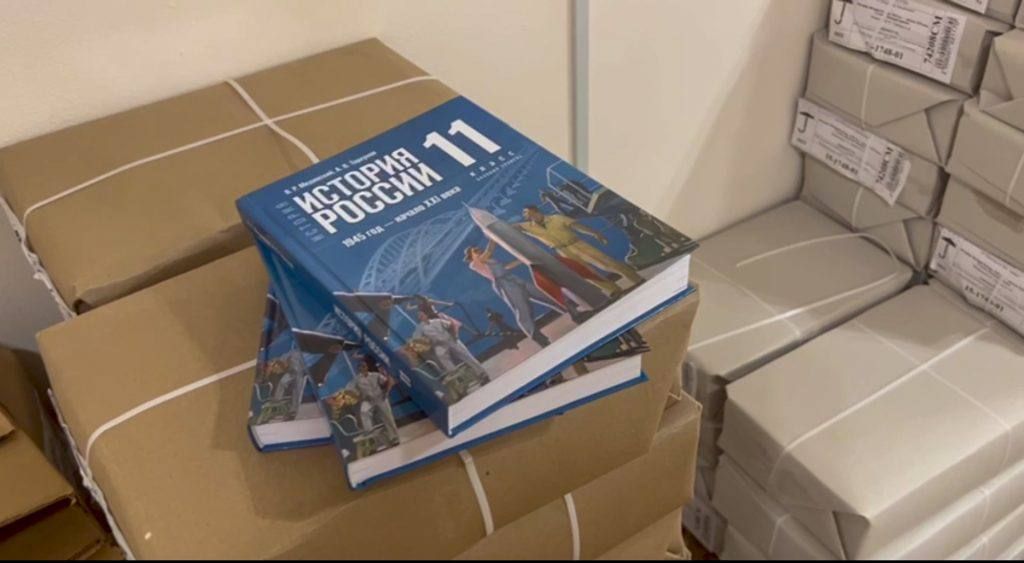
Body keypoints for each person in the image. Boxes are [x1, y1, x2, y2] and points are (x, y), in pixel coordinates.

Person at [515, 205, 643, 296]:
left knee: (607, 263)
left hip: (577, 244)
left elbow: (577, 226)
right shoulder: (528, 227)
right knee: (585, 272)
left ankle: (636, 279)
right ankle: (613, 290)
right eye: (524, 214)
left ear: (535, 211)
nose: (524, 215)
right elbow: (510, 227)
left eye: (526, 212)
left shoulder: (557, 218)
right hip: (563, 251)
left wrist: (595, 233)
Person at [465, 240, 561, 346]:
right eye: (475, 251)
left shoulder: (489, 260)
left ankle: (570, 309)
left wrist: (520, 260)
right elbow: (489, 251)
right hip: (504, 284)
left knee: (543, 294)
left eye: (478, 250)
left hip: (512, 278)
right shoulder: (474, 264)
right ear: (470, 257)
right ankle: (537, 336)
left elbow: (506, 267)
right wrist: (492, 239)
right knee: (522, 309)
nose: (479, 251)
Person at [412, 305, 489, 382]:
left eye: (422, 315)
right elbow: (417, 341)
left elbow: (451, 325)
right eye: (419, 316)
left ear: (426, 315)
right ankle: (460, 379)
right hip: (438, 344)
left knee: (466, 355)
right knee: (444, 359)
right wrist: (429, 345)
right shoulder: (421, 329)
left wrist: (455, 336)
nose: (421, 317)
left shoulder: (437, 321)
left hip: (450, 339)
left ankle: (482, 374)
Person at [351, 360, 400, 446]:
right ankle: (369, 432)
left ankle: (394, 437)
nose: (363, 368)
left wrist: (386, 391)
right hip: (368, 400)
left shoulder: (376, 375)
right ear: (358, 369)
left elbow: (386, 383)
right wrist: (360, 398)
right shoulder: (357, 380)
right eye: (360, 367)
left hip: (380, 398)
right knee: (364, 412)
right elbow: (353, 391)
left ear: (367, 367)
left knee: (388, 418)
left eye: (364, 366)